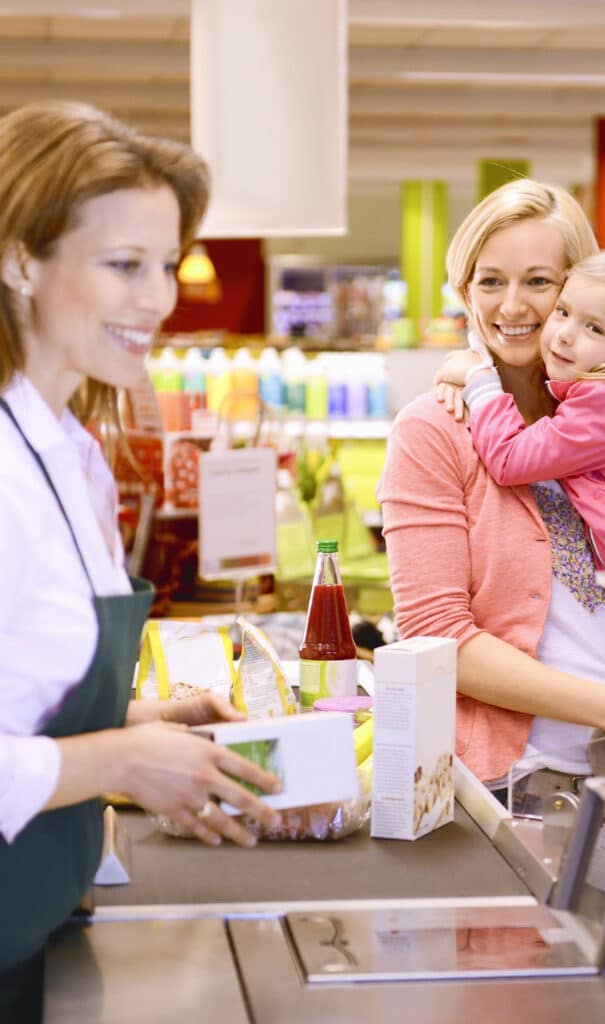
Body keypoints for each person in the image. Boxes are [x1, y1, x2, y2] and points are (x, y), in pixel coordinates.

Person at [0, 101, 281, 1019]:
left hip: (35, 928)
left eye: (165, 265)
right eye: (124, 265)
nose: (159, 298)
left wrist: (149, 718)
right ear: (18, 258)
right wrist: (121, 758)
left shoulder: (72, 453)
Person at [377, 179, 605, 807]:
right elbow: (438, 637)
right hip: (509, 786)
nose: (512, 305)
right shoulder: (434, 430)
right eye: (490, 281)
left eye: (540, 283)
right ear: (465, 292)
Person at [438, 247, 605, 584]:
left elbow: (510, 459)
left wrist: (479, 382)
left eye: (595, 329)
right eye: (563, 311)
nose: (566, 333)